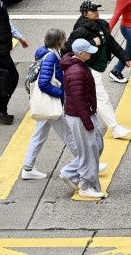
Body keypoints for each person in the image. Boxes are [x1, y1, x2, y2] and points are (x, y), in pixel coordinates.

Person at [22, 28, 81, 181]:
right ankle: (86, 162)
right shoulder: (50, 57)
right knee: (69, 134)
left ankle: (28, 167)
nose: (64, 40)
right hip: (50, 103)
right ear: (57, 41)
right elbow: (43, 83)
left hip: (45, 105)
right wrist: (61, 93)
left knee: (39, 135)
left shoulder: (46, 54)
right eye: (63, 38)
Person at [67, 1, 131, 139]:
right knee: (102, 98)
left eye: (97, 9)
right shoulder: (81, 30)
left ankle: (84, 118)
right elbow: (70, 47)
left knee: (89, 97)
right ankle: (114, 128)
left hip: (98, 67)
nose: (96, 11)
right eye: (93, 10)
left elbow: (111, 42)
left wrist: (124, 56)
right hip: (89, 69)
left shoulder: (101, 24)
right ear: (85, 14)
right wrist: (91, 43)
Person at [60, 38, 105, 199]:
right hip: (81, 116)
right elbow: (78, 100)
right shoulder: (77, 71)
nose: (91, 53)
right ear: (80, 53)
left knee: (96, 146)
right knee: (89, 152)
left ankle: (71, 172)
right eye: (88, 51)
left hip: (84, 113)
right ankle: (87, 186)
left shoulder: (77, 66)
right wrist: (87, 123)